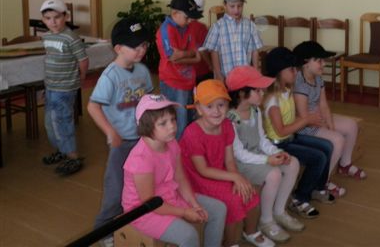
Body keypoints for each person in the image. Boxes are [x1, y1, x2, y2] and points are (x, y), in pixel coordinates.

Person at [122, 94, 226, 247]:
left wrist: (194, 204)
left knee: (219, 209)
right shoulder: (141, 159)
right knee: (188, 235)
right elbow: (150, 203)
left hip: (170, 195)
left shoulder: (171, 143)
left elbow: (180, 178)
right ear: (147, 126)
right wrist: (184, 212)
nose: (172, 126)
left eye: (173, 119)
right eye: (163, 123)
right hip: (144, 211)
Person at [180, 80, 274, 247]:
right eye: (209, 106)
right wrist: (234, 177)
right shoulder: (192, 133)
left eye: (221, 105)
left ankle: (251, 232)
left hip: (220, 172)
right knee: (233, 200)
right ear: (199, 109)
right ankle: (230, 243)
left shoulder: (227, 125)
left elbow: (229, 160)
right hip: (198, 179)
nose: (216, 111)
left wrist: (237, 177)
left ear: (227, 106)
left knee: (250, 191)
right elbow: (202, 170)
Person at [88, 18, 154, 246]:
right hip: (122, 143)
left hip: (143, 140)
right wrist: (110, 132)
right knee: (115, 190)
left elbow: (148, 99)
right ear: (118, 48)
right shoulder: (110, 76)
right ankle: (103, 232)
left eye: (144, 45)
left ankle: (136, 224)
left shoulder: (143, 70)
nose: (141, 50)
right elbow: (93, 107)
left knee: (142, 185)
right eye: (135, 46)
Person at [226, 66, 304, 243]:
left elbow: (262, 139)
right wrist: (267, 159)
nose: (262, 93)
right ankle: (266, 220)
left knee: (293, 163)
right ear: (241, 93)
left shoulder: (255, 110)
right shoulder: (230, 118)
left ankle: (279, 211)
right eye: (257, 90)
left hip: (259, 156)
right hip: (241, 164)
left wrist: (277, 152)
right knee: (274, 174)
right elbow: (239, 154)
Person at [263, 47, 336, 218]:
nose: (296, 72)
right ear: (279, 72)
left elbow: (291, 120)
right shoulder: (272, 100)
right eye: (291, 70)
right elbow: (280, 131)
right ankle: (299, 198)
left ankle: (317, 188)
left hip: (291, 137)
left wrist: (306, 119)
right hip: (279, 144)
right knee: (318, 157)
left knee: (327, 146)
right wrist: (306, 120)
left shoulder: (287, 90)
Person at [293, 41, 366, 185]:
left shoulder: (318, 78)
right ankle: (322, 181)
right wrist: (326, 128)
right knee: (337, 140)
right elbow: (304, 117)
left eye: (323, 60)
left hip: (318, 118)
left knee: (351, 125)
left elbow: (324, 105)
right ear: (305, 63)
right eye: (319, 61)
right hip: (305, 126)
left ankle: (345, 164)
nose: (324, 64)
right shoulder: (300, 84)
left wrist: (330, 126)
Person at [39, 0, 88, 176]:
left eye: (57, 17)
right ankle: (62, 149)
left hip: (66, 88)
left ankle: (73, 156)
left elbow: (83, 60)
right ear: (43, 20)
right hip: (51, 87)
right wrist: (46, 86)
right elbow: (50, 61)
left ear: (65, 17)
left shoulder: (71, 37)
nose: (53, 22)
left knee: (62, 122)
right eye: (48, 18)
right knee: (50, 123)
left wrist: (82, 77)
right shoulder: (47, 37)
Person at [157, 0, 203, 139]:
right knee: (177, 124)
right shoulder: (166, 30)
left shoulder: (187, 27)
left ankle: (187, 149)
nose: (190, 21)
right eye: (187, 17)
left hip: (189, 81)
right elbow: (173, 58)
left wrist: (183, 54)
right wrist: (191, 55)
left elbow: (197, 55)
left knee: (190, 120)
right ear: (175, 13)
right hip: (173, 83)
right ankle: (177, 151)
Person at [203, 0, 263, 81]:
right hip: (225, 77)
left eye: (240, 6)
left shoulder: (250, 25)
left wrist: (256, 71)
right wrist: (218, 73)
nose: (236, 10)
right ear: (225, 4)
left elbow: (255, 50)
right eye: (232, 6)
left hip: (245, 77)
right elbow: (214, 52)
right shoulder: (217, 27)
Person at [190, 0, 214, 84]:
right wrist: (211, 65)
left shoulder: (180, 26)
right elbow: (203, 50)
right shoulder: (201, 27)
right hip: (201, 70)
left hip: (186, 71)